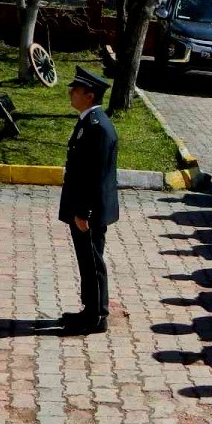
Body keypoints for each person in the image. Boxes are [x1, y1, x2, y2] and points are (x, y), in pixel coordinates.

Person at [58, 67, 120, 335]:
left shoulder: (98, 128)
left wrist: (84, 211)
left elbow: (95, 176)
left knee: (94, 262)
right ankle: (89, 308)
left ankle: (97, 317)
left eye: (77, 90)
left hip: (89, 211)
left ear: (90, 95)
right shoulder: (88, 122)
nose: (71, 93)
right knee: (86, 259)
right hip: (81, 208)